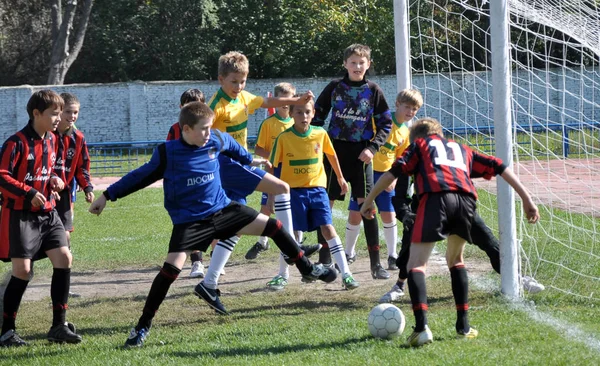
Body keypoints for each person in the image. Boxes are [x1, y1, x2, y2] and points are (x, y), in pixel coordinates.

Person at [88, 102, 337, 347]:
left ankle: (306, 269)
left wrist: (249, 160)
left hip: (223, 210)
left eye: (210, 128)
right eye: (203, 128)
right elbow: (139, 176)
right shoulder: (167, 152)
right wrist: (107, 195)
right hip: (191, 221)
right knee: (170, 271)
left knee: (274, 227)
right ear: (186, 129)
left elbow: (231, 145)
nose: (209, 133)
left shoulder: (215, 139)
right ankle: (142, 326)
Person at [360, 117, 540, 347]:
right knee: (455, 259)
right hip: (467, 201)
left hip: (436, 198)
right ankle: (463, 327)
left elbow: (390, 174)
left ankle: (421, 328)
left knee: (416, 264)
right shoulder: (461, 148)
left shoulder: (420, 145)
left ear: (417, 138)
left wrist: (369, 201)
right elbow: (500, 165)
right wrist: (527, 199)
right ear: (441, 134)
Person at [200, 51, 319, 293]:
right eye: (234, 81)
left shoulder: (243, 98)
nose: (238, 86)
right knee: (282, 187)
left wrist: (295, 100)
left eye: (242, 81)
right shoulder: (216, 106)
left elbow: (268, 103)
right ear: (220, 79)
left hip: (238, 164)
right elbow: (203, 133)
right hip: (226, 165)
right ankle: (293, 248)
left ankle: (209, 283)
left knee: (235, 227)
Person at [0, 90, 82, 347]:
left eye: (60, 113)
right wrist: (29, 192)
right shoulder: (16, 143)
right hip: (20, 215)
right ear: (37, 114)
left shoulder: (52, 141)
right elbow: (2, 176)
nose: (59, 118)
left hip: (48, 213)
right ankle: (7, 331)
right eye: (54, 114)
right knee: (22, 272)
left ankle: (59, 325)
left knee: (64, 257)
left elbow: (50, 169)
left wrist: (54, 179)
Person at [312, 44, 392, 280]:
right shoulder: (335, 88)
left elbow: (386, 124)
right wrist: (316, 145)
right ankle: (325, 262)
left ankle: (376, 265)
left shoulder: (374, 90)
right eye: (353, 62)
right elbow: (316, 116)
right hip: (334, 154)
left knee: (366, 207)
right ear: (345, 64)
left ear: (368, 64)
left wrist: (373, 147)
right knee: (326, 205)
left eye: (362, 62)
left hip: (361, 156)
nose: (357, 66)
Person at [267, 97, 360, 291]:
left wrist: (341, 178)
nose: (304, 116)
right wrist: (271, 195)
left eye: (307, 112)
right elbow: (273, 167)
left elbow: (331, 155)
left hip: (317, 190)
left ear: (313, 114)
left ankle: (346, 274)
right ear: (291, 114)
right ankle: (282, 275)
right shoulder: (284, 138)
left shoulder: (320, 133)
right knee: (289, 233)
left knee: (327, 228)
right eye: (299, 112)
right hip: (292, 192)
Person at [345, 89, 421, 271]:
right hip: (366, 174)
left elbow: (399, 157)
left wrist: (394, 176)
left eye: (414, 109)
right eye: (407, 107)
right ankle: (349, 252)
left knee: (389, 214)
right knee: (356, 214)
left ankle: (392, 255)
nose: (410, 112)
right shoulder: (381, 121)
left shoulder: (406, 132)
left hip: (386, 177)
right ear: (397, 104)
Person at [245, 82, 297, 260]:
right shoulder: (269, 124)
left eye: (289, 99)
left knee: (294, 207)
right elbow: (259, 149)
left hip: (293, 173)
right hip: (273, 173)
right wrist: (275, 157)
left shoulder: (296, 121)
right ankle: (262, 241)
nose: (285, 103)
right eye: (281, 99)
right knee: (266, 208)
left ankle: (295, 243)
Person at [166, 88, 208, 278]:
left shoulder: (208, 130)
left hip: (204, 184)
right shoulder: (175, 130)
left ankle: (212, 259)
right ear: (180, 108)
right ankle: (196, 262)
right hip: (183, 186)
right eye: (187, 107)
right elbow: (168, 155)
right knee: (189, 224)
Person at [53, 92, 94, 248]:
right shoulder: (47, 135)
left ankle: (64, 268)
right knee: (37, 233)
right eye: (68, 111)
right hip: (44, 192)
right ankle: (24, 270)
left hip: (65, 193)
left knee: (65, 231)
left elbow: (82, 166)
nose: (72, 116)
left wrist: (87, 187)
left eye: (75, 112)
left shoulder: (78, 138)